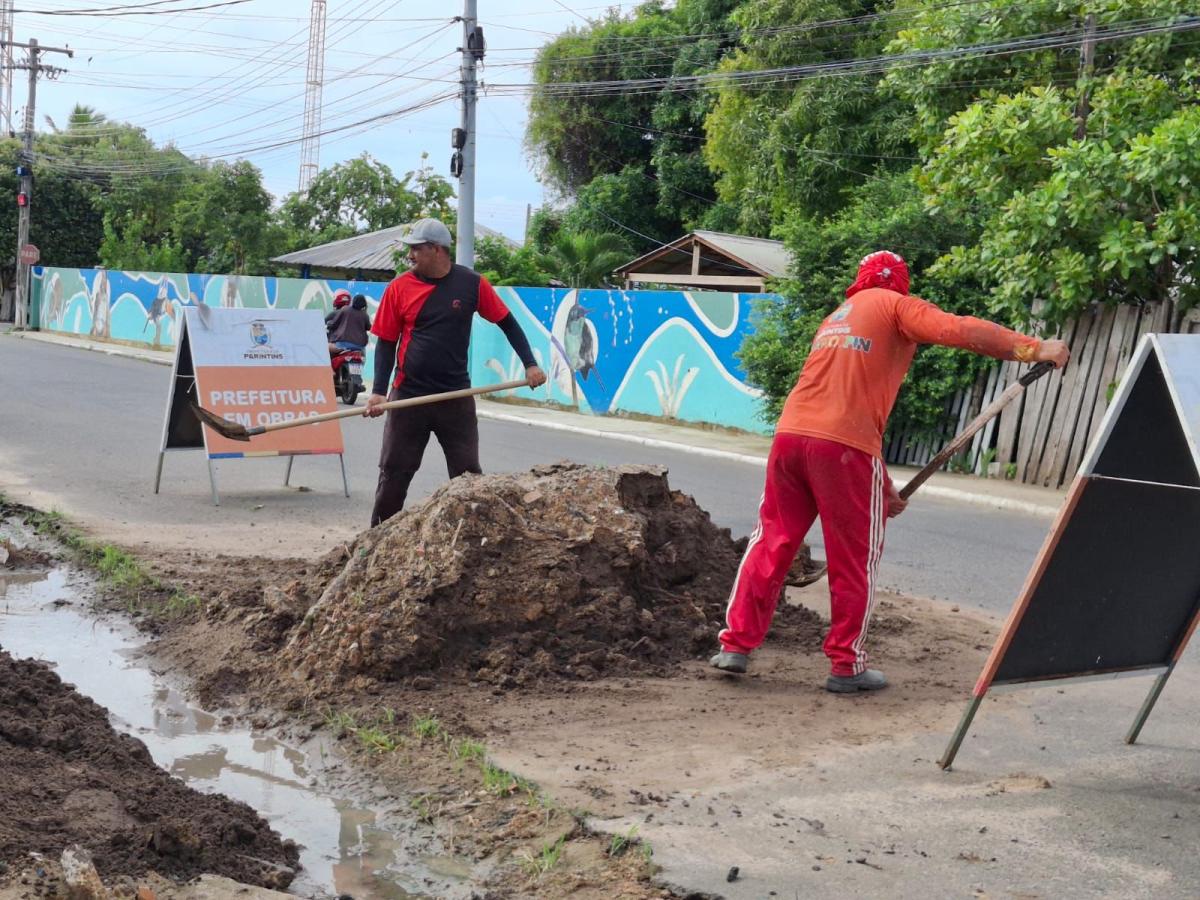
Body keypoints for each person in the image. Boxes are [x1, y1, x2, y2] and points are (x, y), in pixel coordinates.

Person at [710, 251, 1070, 692]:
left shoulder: (835, 319)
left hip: (791, 439)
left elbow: (842, 412)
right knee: (854, 557)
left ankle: (735, 645)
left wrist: (882, 486)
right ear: (900, 284)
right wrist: (1035, 349)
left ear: (858, 282)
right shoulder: (896, 306)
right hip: (842, 449)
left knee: (772, 540)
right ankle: (846, 665)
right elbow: (960, 329)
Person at [364, 218, 547, 526]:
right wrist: (379, 392)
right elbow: (385, 342)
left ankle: (476, 541)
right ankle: (375, 541)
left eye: (416, 249)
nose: (410, 256)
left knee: (467, 478)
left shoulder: (472, 284)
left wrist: (530, 364)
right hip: (409, 396)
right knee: (394, 474)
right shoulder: (399, 287)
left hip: (455, 397)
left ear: (436, 250)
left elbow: (507, 322)